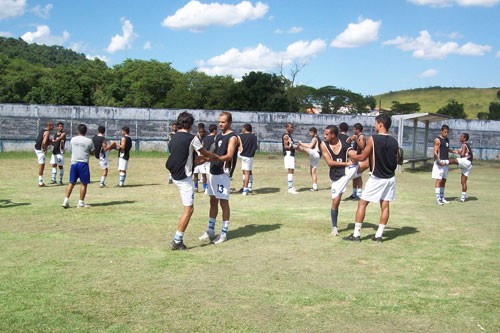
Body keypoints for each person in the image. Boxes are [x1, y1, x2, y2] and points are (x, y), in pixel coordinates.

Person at [165, 112, 219, 251]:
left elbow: (185, 155)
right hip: (184, 177)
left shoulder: (173, 137)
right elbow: (203, 153)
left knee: (188, 207)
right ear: (190, 125)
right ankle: (177, 240)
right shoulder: (192, 138)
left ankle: (178, 239)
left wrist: (203, 159)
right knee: (189, 209)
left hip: (174, 174)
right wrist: (213, 156)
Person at [343, 114, 399, 243]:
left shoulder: (373, 139)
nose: (374, 126)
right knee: (385, 205)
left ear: (380, 124)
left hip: (377, 177)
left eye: (375, 123)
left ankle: (356, 234)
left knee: (362, 203)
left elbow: (362, 157)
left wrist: (351, 154)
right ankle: (379, 235)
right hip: (390, 177)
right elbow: (396, 159)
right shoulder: (394, 141)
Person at [199, 111, 238, 245]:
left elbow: (229, 156)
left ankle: (224, 233)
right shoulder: (218, 136)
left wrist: (216, 158)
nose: (220, 124)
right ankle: (210, 230)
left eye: (223, 122)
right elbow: (212, 152)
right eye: (219, 122)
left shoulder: (233, 137)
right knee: (213, 201)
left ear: (230, 122)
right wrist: (203, 159)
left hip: (223, 174)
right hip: (213, 171)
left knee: (224, 202)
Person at [319, 125, 357, 236]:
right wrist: (346, 163)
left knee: (363, 164)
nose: (324, 136)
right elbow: (330, 163)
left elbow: (352, 154)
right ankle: (334, 227)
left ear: (333, 135)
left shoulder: (344, 144)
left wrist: (356, 155)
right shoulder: (323, 145)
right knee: (336, 201)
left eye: (327, 134)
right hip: (336, 176)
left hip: (347, 171)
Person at [62, 124, 95, 209]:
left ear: (78, 131)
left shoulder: (73, 139)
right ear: (86, 131)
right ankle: (80, 202)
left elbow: (70, 149)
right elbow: (92, 152)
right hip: (83, 163)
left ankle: (65, 200)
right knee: (84, 183)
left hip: (74, 162)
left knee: (71, 182)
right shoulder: (89, 141)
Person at [443, 132, 473, 203]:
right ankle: (463, 198)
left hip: (466, 161)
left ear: (464, 138)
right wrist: (451, 151)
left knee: (453, 160)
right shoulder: (465, 145)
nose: (460, 138)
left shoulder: (464, 144)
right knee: (463, 181)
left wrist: (458, 152)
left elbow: (462, 154)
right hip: (469, 164)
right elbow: (461, 152)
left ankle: (442, 162)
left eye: (461, 136)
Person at [432, 125, 452, 205]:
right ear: (441, 131)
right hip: (439, 162)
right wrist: (438, 161)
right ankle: (438, 199)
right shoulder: (437, 140)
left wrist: (455, 151)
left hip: (446, 161)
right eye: (445, 132)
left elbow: (447, 149)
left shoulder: (447, 139)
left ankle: (442, 197)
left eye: (447, 132)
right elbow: (435, 151)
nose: (446, 133)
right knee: (439, 180)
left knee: (444, 180)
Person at [345, 123, 366, 200]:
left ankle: (359, 194)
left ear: (357, 129)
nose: (353, 131)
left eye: (354, 129)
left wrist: (356, 140)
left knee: (358, 176)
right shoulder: (356, 137)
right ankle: (354, 193)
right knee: (355, 176)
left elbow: (362, 146)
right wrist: (350, 140)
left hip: (361, 159)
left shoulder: (361, 136)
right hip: (356, 158)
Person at [297, 127, 321, 191]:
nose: (310, 134)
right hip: (316, 155)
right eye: (310, 132)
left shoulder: (315, 138)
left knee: (301, 148)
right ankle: (315, 187)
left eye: (311, 132)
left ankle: (292, 146)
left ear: (315, 133)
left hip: (315, 153)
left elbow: (310, 146)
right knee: (312, 172)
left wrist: (301, 143)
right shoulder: (315, 138)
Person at [237, 123, 258, 195]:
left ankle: (245, 188)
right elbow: (256, 147)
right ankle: (247, 187)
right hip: (249, 156)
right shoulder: (254, 137)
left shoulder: (240, 136)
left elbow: (238, 145)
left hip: (242, 155)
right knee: (247, 172)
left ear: (245, 129)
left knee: (246, 172)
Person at [34, 121, 54, 187]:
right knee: (42, 165)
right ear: (49, 126)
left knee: (42, 164)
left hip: (36, 148)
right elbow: (44, 142)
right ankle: (40, 182)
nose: (53, 127)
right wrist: (45, 149)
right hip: (40, 150)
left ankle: (40, 181)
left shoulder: (42, 130)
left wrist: (50, 142)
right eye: (52, 126)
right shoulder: (47, 132)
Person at [282, 122, 298, 194]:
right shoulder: (286, 136)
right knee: (290, 170)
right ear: (287, 128)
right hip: (288, 153)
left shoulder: (289, 136)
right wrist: (294, 147)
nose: (292, 129)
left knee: (292, 170)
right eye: (291, 127)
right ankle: (290, 188)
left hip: (291, 154)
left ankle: (291, 186)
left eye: (292, 127)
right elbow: (285, 146)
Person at [202, 124, 217, 194]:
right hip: (212, 158)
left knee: (207, 174)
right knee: (212, 174)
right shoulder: (215, 138)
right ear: (214, 130)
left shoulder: (205, 138)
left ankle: (207, 188)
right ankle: (209, 188)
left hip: (205, 158)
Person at [193, 123, 207, 193]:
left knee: (204, 174)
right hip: (196, 159)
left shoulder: (206, 139)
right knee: (195, 174)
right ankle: (195, 187)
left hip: (203, 159)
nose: (201, 133)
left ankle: (204, 187)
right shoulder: (195, 138)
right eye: (200, 132)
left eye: (202, 132)